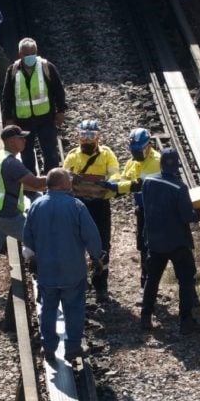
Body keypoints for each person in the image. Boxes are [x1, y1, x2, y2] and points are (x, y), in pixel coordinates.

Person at [23, 169, 103, 364]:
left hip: (47, 270)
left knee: (48, 309)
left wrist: (32, 258)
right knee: (74, 308)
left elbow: (27, 237)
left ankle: (48, 347)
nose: (71, 182)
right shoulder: (76, 206)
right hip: (72, 270)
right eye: (68, 179)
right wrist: (97, 256)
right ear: (60, 184)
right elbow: (91, 236)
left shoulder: (36, 206)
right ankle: (73, 347)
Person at [140, 149, 200, 334]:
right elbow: (189, 217)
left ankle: (145, 317)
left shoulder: (148, 182)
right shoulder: (179, 187)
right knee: (185, 281)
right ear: (176, 167)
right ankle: (186, 321)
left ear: (160, 164)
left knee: (152, 279)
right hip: (177, 243)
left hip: (154, 240)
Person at [0, 125, 48, 317]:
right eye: (20, 138)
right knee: (41, 241)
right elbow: (35, 184)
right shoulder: (11, 163)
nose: (24, 141)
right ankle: (48, 290)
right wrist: (61, 177)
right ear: (10, 141)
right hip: (7, 216)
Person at [62, 120, 120, 303]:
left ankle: (101, 285)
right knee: (75, 244)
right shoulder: (72, 156)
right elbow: (63, 178)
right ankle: (79, 282)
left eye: (91, 136)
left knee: (103, 245)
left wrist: (108, 184)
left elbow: (116, 175)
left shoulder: (107, 155)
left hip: (100, 205)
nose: (87, 141)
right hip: (78, 206)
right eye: (84, 136)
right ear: (78, 136)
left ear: (98, 137)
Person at [101, 128, 160, 288]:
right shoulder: (131, 163)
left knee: (161, 248)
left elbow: (138, 185)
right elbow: (123, 183)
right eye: (133, 150)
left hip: (159, 211)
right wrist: (105, 190)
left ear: (148, 146)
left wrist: (117, 187)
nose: (136, 154)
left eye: (138, 150)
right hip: (142, 210)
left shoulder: (157, 161)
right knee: (143, 246)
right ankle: (145, 283)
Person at [2, 38, 67, 172]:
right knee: (26, 153)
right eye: (27, 54)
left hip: (46, 118)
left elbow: (58, 90)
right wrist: (8, 118)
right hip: (23, 120)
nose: (30, 57)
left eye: (33, 53)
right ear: (20, 54)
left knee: (50, 151)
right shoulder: (13, 71)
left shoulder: (46, 67)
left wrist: (61, 111)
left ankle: (51, 180)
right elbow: (7, 96)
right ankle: (30, 182)